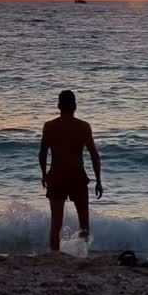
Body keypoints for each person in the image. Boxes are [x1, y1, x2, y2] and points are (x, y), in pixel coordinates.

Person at [39, 90, 103, 252]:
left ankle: (55, 254)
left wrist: (44, 174)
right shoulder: (83, 126)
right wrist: (98, 181)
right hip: (77, 177)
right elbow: (94, 155)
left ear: (59, 106)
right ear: (75, 106)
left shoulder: (49, 126)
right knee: (84, 223)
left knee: (56, 223)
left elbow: (42, 153)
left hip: (56, 176)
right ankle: (82, 254)